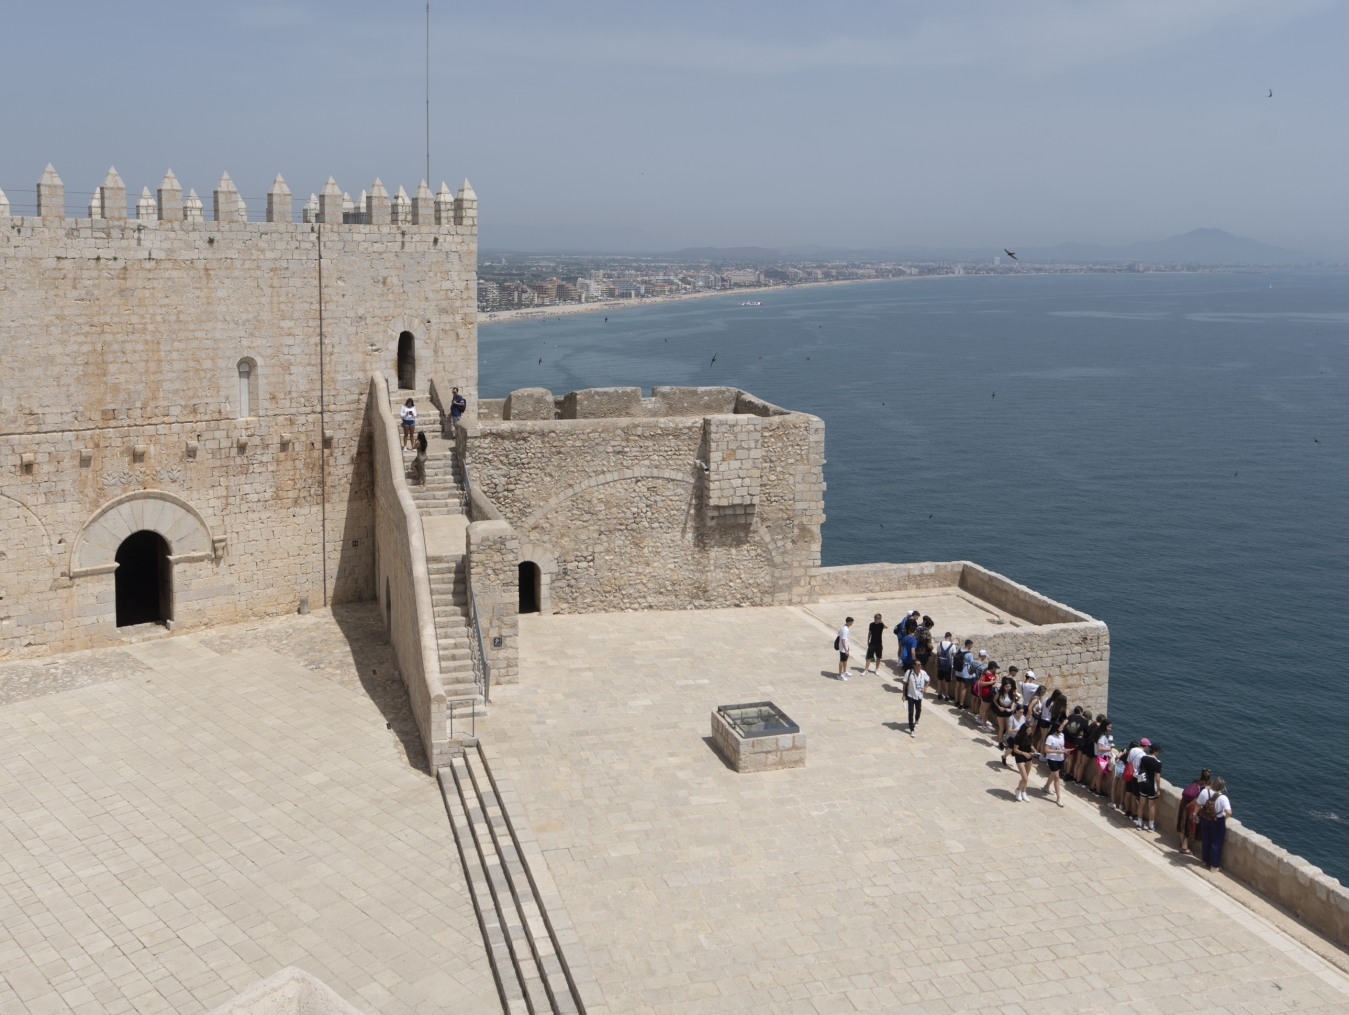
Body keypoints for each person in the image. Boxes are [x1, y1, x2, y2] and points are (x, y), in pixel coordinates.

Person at [1196, 777, 1232, 870]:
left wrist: (1194, 814)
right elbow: (1228, 812)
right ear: (1222, 787)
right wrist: (1224, 818)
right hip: (1217, 821)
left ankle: (1205, 861)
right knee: (1216, 842)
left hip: (1205, 818)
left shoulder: (1204, 792)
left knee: (1205, 839)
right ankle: (1214, 866)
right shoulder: (1223, 798)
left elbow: (1198, 804)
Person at [1178, 770, 1211, 855]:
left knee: (1183, 822)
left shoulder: (1196, 781)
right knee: (1190, 825)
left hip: (1184, 802)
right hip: (1192, 806)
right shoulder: (1207, 787)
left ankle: (1181, 843)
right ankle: (1184, 847)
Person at [1134, 743, 1163, 832]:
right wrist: (1158, 789)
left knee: (1141, 804)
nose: (1159, 753)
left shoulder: (1143, 758)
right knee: (1151, 806)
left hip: (1142, 782)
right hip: (1151, 785)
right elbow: (1157, 778)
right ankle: (1151, 826)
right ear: (1154, 751)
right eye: (1158, 751)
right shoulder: (1157, 763)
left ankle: (1139, 824)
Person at [1042, 719, 1066, 807]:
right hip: (1052, 758)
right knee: (1056, 777)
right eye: (1060, 727)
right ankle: (1059, 798)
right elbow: (1046, 750)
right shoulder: (1050, 737)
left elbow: (1061, 745)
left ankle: (1046, 787)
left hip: (1060, 758)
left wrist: (1063, 750)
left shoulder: (1062, 735)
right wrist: (1058, 751)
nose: (1062, 729)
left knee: (1053, 774)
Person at [1011, 721, 1037, 801]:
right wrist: (1023, 753)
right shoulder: (1018, 737)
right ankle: (1018, 789)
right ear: (1024, 730)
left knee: (1026, 776)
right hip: (1020, 757)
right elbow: (1015, 749)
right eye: (1028, 731)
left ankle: (1024, 792)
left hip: (1028, 756)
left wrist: (1033, 749)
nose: (1030, 732)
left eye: (1030, 730)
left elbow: (1031, 745)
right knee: (1024, 778)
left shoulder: (1029, 736)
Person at [903, 659, 929, 736]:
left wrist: (925, 688)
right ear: (914, 666)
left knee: (918, 710)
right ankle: (911, 729)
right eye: (918, 665)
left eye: (920, 664)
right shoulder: (909, 672)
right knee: (910, 712)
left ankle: (917, 719)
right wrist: (904, 695)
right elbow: (904, 684)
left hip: (919, 695)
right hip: (911, 695)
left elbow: (928, 680)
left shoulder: (923, 673)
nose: (920, 666)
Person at [991, 675, 1018, 746]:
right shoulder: (999, 692)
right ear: (1003, 687)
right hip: (1001, 710)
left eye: (1009, 686)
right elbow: (994, 700)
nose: (1009, 688)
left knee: (1008, 728)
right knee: (1002, 728)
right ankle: (1000, 742)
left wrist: (1012, 708)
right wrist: (999, 707)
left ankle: (1007, 741)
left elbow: (1013, 701)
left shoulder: (1012, 692)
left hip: (1008, 710)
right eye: (1007, 687)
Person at [974, 661, 997, 730]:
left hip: (990, 693)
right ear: (993, 667)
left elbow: (995, 680)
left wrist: (994, 683)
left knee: (986, 709)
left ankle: (985, 721)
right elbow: (980, 683)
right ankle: (984, 725)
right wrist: (990, 683)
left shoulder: (992, 674)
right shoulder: (985, 674)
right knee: (985, 709)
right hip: (985, 693)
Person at [953, 640, 977, 708]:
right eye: (971, 645)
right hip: (964, 673)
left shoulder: (959, 650)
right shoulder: (969, 654)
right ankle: (961, 704)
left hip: (957, 671)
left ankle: (956, 701)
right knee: (963, 688)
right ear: (969, 645)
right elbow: (972, 664)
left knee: (957, 686)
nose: (971, 647)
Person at [935, 632, 956, 701]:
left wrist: (936, 662)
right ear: (950, 637)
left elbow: (937, 654)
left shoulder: (940, 643)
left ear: (945, 636)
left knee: (940, 680)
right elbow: (954, 656)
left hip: (940, 664)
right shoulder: (952, 645)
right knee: (947, 681)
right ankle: (947, 695)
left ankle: (939, 694)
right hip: (948, 665)